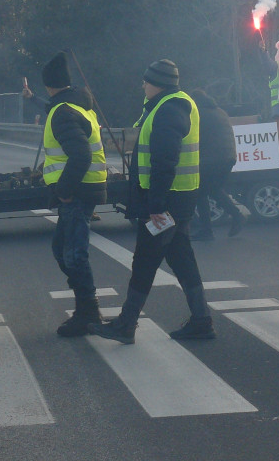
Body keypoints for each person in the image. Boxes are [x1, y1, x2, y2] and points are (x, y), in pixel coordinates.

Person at [88, 59, 214, 344]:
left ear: (158, 83)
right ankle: (201, 320)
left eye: (146, 81)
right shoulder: (169, 105)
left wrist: (156, 204)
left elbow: (164, 160)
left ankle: (126, 324)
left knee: (145, 260)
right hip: (177, 199)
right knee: (182, 259)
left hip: (166, 202)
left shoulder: (170, 109)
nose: (142, 85)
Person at [35, 52, 109, 337]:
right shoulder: (78, 106)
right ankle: (86, 308)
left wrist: (64, 191)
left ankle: (88, 313)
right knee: (62, 250)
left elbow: (79, 155)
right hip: (85, 188)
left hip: (77, 192)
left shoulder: (62, 112)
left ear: (48, 85)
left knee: (73, 254)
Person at [189, 89, 246, 241]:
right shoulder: (218, 111)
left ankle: (208, 230)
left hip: (213, 159)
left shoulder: (199, 114)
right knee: (212, 189)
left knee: (200, 192)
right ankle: (233, 217)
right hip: (227, 157)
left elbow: (190, 137)